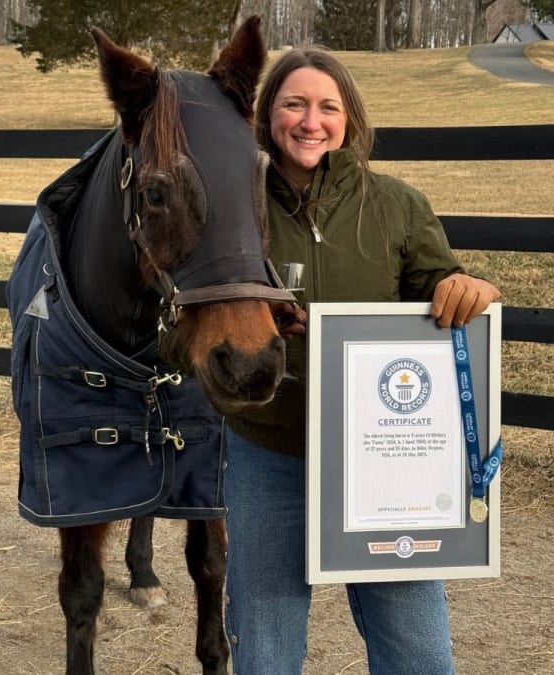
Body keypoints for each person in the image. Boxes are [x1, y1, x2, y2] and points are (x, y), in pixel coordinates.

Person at [222, 48, 501, 673]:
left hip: (385, 466)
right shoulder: (231, 210)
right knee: (265, 652)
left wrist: (465, 290)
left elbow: (440, 289)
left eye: (328, 106)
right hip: (270, 451)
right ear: (268, 115)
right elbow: (185, 325)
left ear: (350, 119)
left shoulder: (397, 204)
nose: (310, 121)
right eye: (294, 104)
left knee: (419, 655)